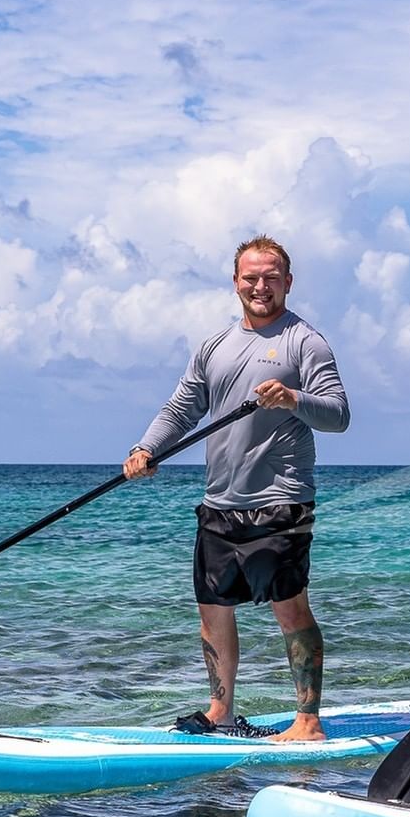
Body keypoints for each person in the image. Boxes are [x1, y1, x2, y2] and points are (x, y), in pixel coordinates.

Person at [124, 235, 349, 742]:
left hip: (280, 500)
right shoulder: (214, 346)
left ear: (288, 282)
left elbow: (338, 414)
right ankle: (221, 712)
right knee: (212, 611)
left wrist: (293, 398)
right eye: (251, 277)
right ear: (235, 282)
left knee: (289, 608)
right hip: (220, 502)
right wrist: (145, 448)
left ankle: (308, 721)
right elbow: (182, 408)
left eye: (271, 277)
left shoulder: (304, 342)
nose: (260, 286)